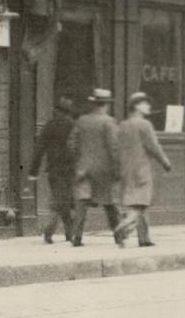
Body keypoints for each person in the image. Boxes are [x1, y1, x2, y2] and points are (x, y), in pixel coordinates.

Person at [114, 92, 172, 248]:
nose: (149, 106)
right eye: (145, 103)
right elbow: (153, 146)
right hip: (141, 169)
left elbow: (116, 148)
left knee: (137, 202)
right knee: (142, 203)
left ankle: (144, 238)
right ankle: (124, 225)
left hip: (126, 170)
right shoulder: (145, 124)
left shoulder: (122, 125)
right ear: (137, 106)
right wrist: (165, 161)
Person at [68, 88, 121, 245]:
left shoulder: (82, 120)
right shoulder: (109, 122)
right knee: (110, 204)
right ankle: (118, 237)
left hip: (83, 168)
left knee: (82, 203)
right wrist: (117, 169)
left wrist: (80, 159)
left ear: (93, 104)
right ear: (106, 105)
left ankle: (76, 237)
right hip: (103, 171)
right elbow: (115, 148)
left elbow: (71, 143)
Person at [28, 96, 77, 244]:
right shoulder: (73, 125)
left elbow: (39, 149)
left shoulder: (49, 126)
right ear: (69, 111)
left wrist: (33, 171)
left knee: (61, 198)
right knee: (62, 200)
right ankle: (50, 232)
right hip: (70, 169)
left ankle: (68, 231)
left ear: (56, 110)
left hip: (54, 169)